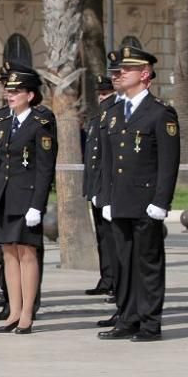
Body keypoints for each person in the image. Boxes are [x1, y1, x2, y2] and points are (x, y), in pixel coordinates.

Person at [98, 46, 180, 342]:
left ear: (144, 74)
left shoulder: (160, 113)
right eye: (116, 71)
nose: (117, 75)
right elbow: (109, 162)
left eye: (125, 71)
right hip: (120, 201)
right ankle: (127, 317)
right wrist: (105, 197)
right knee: (123, 262)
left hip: (146, 203)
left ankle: (149, 322)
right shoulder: (114, 112)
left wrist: (161, 202)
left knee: (147, 264)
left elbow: (168, 163)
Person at [0, 69, 57, 334]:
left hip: (26, 198)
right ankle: (13, 311)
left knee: (27, 253)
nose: (10, 95)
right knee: (8, 254)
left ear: (30, 95)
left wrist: (37, 204)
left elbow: (45, 168)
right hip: (3, 196)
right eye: (8, 91)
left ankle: (27, 313)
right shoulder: (1, 120)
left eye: (16, 92)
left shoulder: (41, 121)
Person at [83, 72, 119, 298]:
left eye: (106, 93)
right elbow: (91, 158)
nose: (102, 98)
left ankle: (117, 281)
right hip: (97, 189)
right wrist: (90, 188)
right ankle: (106, 278)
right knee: (103, 238)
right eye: (100, 94)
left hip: (112, 191)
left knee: (115, 240)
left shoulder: (116, 119)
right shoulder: (96, 121)